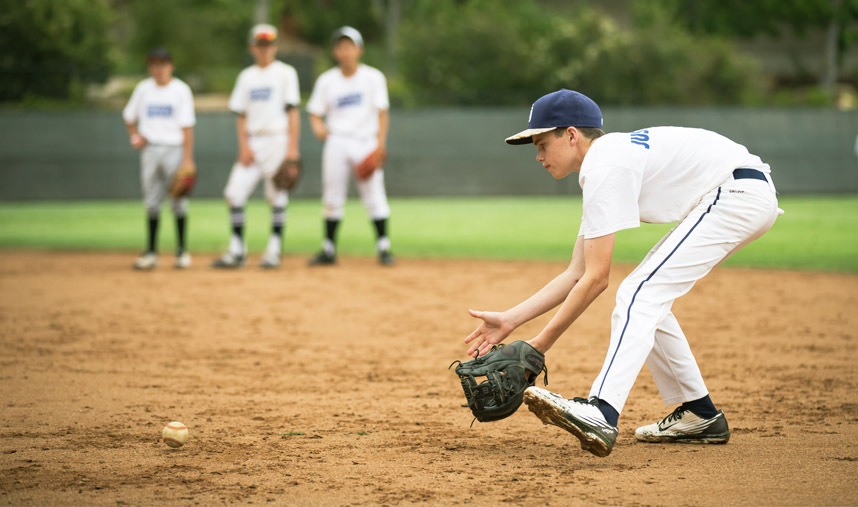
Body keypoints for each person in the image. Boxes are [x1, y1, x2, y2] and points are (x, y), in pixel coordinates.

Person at [464, 89, 781, 457]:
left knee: (639, 293)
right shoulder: (607, 163)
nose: (538, 156)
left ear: (571, 135)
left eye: (542, 144)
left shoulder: (605, 165)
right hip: (741, 193)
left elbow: (597, 279)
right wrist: (511, 319)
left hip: (737, 194)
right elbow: (577, 273)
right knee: (648, 297)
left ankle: (602, 411)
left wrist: (540, 345)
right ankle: (700, 413)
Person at [212, 23, 301, 269]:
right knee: (234, 193)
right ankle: (237, 251)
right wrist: (244, 147)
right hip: (252, 140)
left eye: (268, 45)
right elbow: (241, 115)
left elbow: (293, 112)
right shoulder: (246, 77)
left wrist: (292, 149)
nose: (264, 49)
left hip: (277, 139)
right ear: (252, 47)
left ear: (275, 47)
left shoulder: (285, 73)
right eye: (260, 45)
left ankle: (274, 250)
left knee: (277, 195)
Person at [306, 26, 394, 266]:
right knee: (332, 194)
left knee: (374, 194)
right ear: (335, 51)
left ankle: (384, 247)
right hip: (337, 141)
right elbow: (314, 112)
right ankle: (329, 249)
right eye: (341, 47)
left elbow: (382, 113)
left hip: (366, 141)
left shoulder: (373, 77)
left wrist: (380, 146)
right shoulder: (327, 80)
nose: (345, 51)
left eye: (350, 46)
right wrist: (318, 127)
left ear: (359, 50)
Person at [123, 48, 196, 270]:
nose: (158, 68)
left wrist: (187, 159)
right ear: (149, 67)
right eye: (154, 64)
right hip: (150, 149)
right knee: (152, 200)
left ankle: (182, 252)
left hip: (174, 148)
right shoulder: (143, 89)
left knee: (178, 200)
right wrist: (135, 136)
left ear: (170, 66)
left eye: (162, 64)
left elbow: (187, 126)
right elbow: (128, 117)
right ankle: (151, 252)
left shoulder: (180, 89)